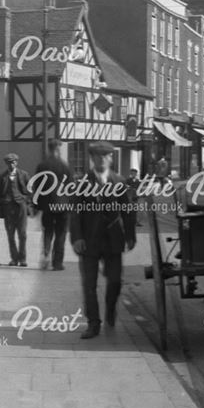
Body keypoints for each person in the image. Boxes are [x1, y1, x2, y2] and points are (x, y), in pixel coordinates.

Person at [70, 141, 137, 339]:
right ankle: (93, 323)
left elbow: (128, 211)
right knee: (89, 284)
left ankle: (110, 309)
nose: (100, 160)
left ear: (110, 158)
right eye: (96, 156)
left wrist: (130, 235)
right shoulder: (82, 183)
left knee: (115, 281)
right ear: (92, 159)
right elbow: (75, 213)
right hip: (89, 240)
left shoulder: (119, 182)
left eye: (104, 156)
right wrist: (77, 237)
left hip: (113, 240)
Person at [33, 140, 73, 271]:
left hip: (47, 205)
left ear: (49, 149)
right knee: (61, 234)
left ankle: (45, 257)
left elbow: (37, 186)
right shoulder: (65, 166)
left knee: (48, 233)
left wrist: (36, 206)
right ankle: (57, 263)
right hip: (63, 205)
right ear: (58, 149)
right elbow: (71, 187)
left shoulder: (42, 166)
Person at [0, 153, 31, 267]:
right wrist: (3, 202)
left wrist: (24, 199)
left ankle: (23, 259)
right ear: (6, 164)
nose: (11, 164)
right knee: (10, 234)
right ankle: (14, 259)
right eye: (9, 162)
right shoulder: (1, 178)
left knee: (23, 234)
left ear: (17, 162)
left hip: (21, 208)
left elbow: (31, 191)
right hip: (8, 209)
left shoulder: (24, 175)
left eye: (13, 162)